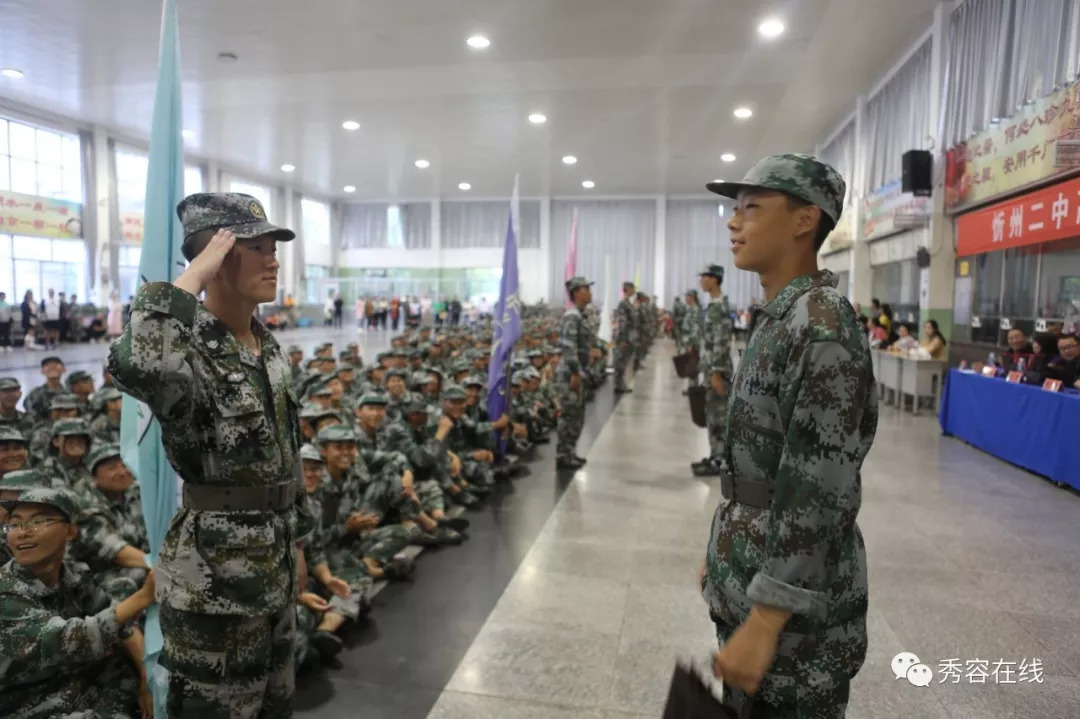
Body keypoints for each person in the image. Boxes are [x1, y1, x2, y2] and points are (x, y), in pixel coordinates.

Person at [107, 192, 314, 717]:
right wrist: (190, 279)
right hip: (215, 587)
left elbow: (286, 458)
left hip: (275, 569)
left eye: (274, 247)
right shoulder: (188, 350)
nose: (273, 259)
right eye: (257, 247)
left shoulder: (265, 348)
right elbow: (132, 363)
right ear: (216, 259)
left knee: (275, 706)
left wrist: (300, 544)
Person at [702, 153, 877, 717]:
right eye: (735, 210)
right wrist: (723, 544)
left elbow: (818, 487)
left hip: (795, 626)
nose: (734, 222)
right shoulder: (782, 316)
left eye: (752, 208)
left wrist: (767, 618)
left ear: (805, 220)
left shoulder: (821, 325)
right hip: (752, 569)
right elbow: (761, 465)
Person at [0, 487, 157, 718]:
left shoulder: (73, 576)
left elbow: (122, 626)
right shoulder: (6, 592)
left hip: (70, 687)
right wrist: (143, 597)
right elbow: (67, 641)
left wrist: (146, 680)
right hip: (23, 704)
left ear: (71, 531)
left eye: (38, 521)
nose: (22, 532)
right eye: (14, 524)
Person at [692, 264, 734, 478]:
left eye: (705, 277)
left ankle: (720, 460)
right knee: (712, 415)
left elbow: (721, 342)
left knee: (718, 417)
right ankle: (715, 455)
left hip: (718, 372)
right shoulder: (713, 305)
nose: (701, 280)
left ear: (715, 279)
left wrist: (717, 373)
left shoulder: (720, 307)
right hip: (711, 370)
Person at [556, 277, 594, 470]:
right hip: (570, 373)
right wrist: (576, 372)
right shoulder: (572, 316)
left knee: (577, 416)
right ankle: (563, 454)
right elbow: (568, 347)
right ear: (577, 292)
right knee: (570, 415)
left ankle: (570, 451)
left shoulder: (581, 315)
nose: (590, 292)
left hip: (578, 371)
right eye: (586, 288)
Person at [613, 281, 636, 394]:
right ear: (627, 289)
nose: (634, 290)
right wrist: (622, 339)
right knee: (620, 360)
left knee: (624, 361)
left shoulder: (628, 303)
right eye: (632, 288)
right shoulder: (623, 304)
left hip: (629, 336)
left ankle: (620, 383)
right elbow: (622, 323)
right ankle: (618, 385)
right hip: (624, 337)